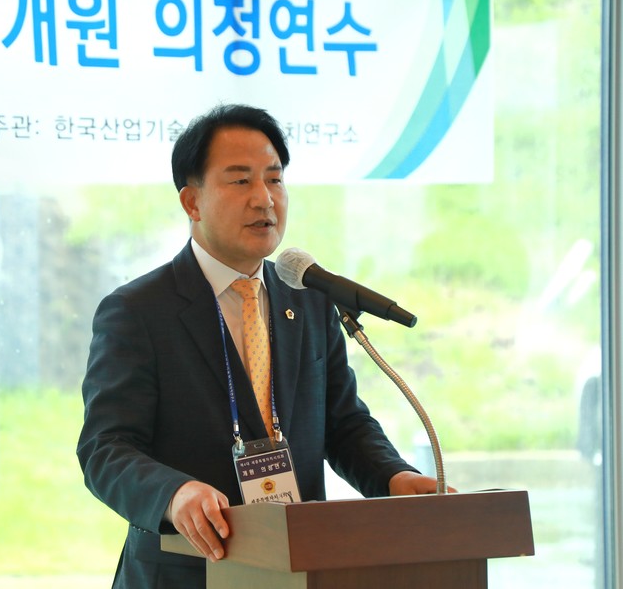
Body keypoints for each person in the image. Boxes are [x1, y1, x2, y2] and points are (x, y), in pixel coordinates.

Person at [77, 103, 447, 589]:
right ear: (192, 202)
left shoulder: (309, 298)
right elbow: (105, 448)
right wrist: (174, 494)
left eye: (274, 179)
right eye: (240, 180)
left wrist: (394, 478)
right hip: (188, 572)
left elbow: (342, 423)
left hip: (297, 568)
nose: (264, 199)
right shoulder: (139, 310)